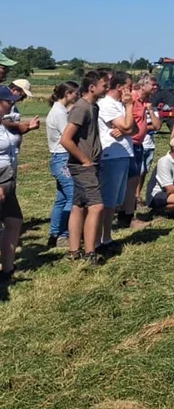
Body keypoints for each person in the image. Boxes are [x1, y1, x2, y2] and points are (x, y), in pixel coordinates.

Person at [60, 70, 108, 264]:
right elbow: (66, 139)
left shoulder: (93, 107)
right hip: (83, 166)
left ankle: (73, 250)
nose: (107, 88)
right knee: (96, 206)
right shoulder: (81, 108)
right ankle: (90, 253)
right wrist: (85, 160)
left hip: (89, 164)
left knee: (79, 205)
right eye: (104, 85)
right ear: (92, 87)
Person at [96, 72, 136, 255]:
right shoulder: (107, 104)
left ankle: (106, 236)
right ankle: (100, 239)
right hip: (111, 155)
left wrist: (126, 128)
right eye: (130, 87)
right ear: (120, 87)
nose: (131, 91)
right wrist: (129, 108)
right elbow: (128, 126)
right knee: (108, 200)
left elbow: (134, 128)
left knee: (114, 201)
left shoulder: (120, 105)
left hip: (123, 153)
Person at [122, 73, 160, 229]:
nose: (155, 87)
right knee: (130, 182)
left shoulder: (146, 101)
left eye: (156, 84)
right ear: (143, 85)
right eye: (152, 84)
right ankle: (127, 216)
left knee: (134, 180)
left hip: (139, 144)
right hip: (130, 144)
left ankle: (126, 214)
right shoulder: (131, 99)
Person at [46, 81, 80, 248]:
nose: (77, 96)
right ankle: (64, 234)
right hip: (63, 158)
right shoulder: (59, 113)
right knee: (72, 196)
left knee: (61, 198)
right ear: (67, 94)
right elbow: (68, 136)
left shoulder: (59, 110)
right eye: (75, 93)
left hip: (58, 157)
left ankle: (54, 232)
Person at [0, 86, 26, 282]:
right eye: (8, 101)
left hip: (7, 179)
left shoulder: (3, 123)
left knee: (14, 221)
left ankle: (7, 269)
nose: (12, 104)